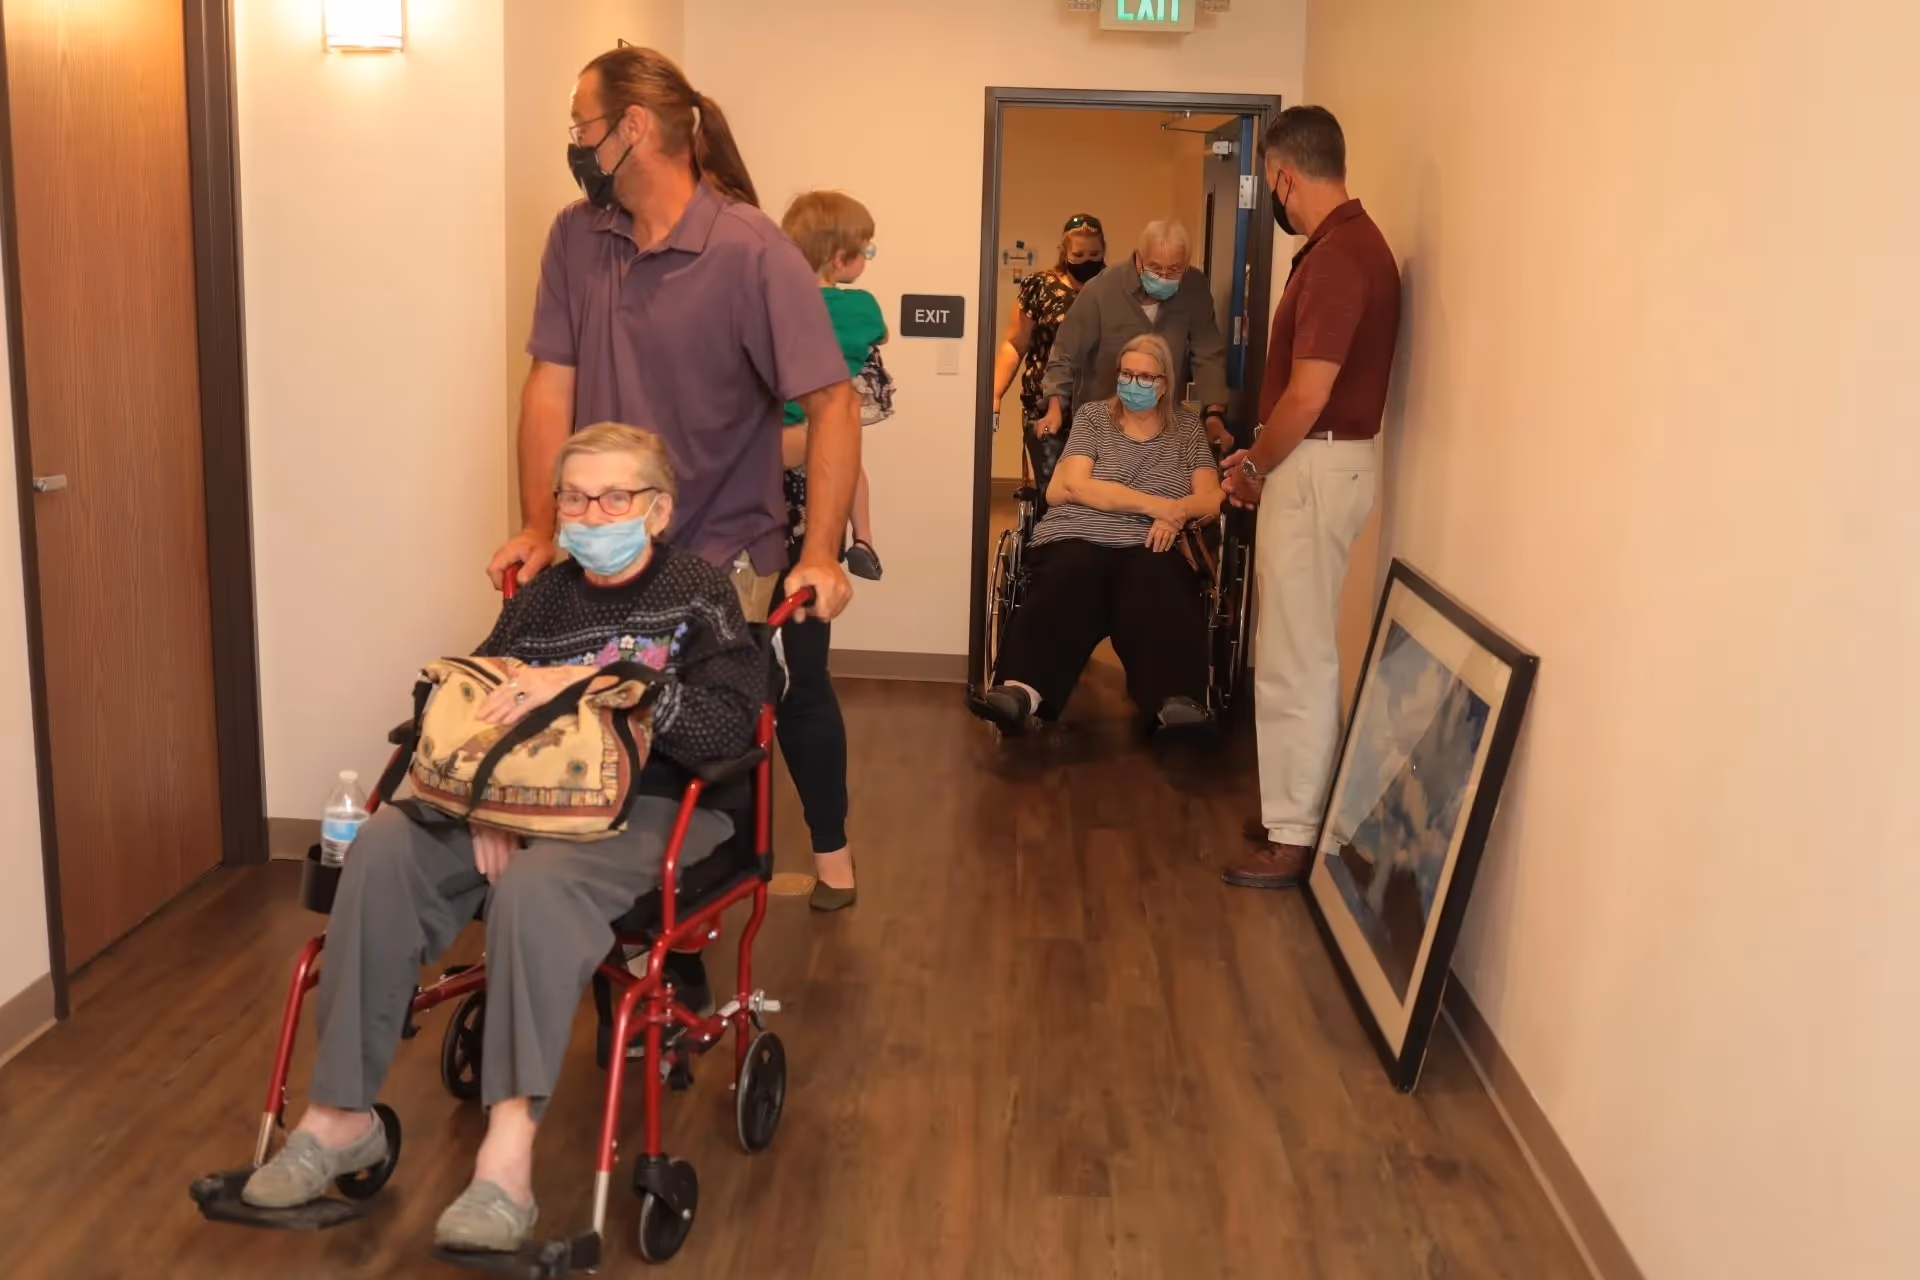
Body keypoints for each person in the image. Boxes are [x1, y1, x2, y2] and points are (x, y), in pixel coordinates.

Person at [241, 425, 763, 1255]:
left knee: (539, 884)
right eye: (574, 497)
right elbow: (465, 705)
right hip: (518, 805)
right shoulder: (544, 595)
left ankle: (506, 1162)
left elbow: (728, 723)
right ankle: (341, 1116)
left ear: (657, 511)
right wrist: (490, 806)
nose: (591, 513)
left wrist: (606, 684)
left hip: (658, 805)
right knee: (382, 846)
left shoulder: (699, 590)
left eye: (614, 497)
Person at [487, 45, 859, 627]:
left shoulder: (753, 252)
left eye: (582, 127)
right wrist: (539, 525)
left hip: (720, 561)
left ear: (632, 126)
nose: (577, 145)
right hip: (600, 559)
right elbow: (549, 388)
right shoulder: (574, 236)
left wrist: (819, 555)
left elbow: (834, 402)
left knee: (699, 718)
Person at [1219, 106, 1402, 890]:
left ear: (1286, 178)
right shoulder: (1355, 246)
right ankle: (1294, 806)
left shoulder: (1335, 260)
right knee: (1300, 647)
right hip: (1330, 464)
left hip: (1316, 463)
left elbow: (1307, 395)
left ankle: (1296, 833)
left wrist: (1253, 466)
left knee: (1295, 657)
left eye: (1275, 186)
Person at [972, 334, 1223, 737]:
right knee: (1071, 571)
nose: (1133, 384)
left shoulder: (1186, 430)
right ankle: (1021, 692)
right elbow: (1069, 487)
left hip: (1152, 543)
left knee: (1157, 578)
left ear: (1164, 383)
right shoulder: (1094, 418)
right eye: (1126, 373)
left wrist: (1178, 513)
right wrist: (1159, 505)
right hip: (1079, 533)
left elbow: (1211, 498)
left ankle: (1175, 701)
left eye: (1144, 376)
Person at [1038, 218, 1233, 456]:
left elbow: (1208, 353)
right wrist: (1055, 408)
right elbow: (1065, 352)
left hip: (1163, 428)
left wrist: (1214, 414)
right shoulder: (1101, 290)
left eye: (1174, 269)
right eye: (1155, 267)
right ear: (1139, 258)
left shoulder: (1194, 287)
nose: (1163, 276)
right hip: (1105, 426)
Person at [780, 190, 890, 582]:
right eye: (866, 252)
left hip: (776, 435)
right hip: (825, 427)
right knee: (851, 463)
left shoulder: (772, 300)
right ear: (840, 259)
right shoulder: (861, 306)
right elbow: (881, 334)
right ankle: (865, 538)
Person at [990, 213, 1106, 509]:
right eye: (1078, 254)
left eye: (1094, 254)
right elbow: (1015, 345)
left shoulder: (1113, 289)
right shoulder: (1041, 286)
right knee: (1055, 495)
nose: (1087, 260)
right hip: (1046, 408)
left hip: (1102, 410)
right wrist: (994, 395)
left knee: (1097, 497)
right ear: (1064, 252)